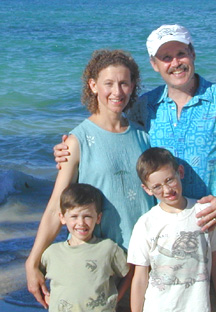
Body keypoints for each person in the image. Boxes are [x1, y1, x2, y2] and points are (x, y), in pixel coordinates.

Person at [53, 25, 216, 312]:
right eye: (165, 57)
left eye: (180, 53)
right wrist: (70, 147)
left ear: (192, 53)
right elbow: (111, 126)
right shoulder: (147, 107)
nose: (175, 63)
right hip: (164, 247)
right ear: (154, 64)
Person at [26, 49, 155, 310]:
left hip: (145, 260)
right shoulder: (77, 141)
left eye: (124, 83)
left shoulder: (143, 136)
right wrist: (32, 263)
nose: (117, 92)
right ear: (93, 86)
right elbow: (56, 208)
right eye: (108, 83)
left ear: (133, 87)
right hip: (100, 266)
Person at [127, 147, 216, 312]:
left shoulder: (203, 212)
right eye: (157, 186)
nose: (167, 190)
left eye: (169, 180)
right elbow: (140, 277)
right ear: (147, 189)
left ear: (180, 172)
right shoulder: (145, 223)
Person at [40, 183, 131, 311]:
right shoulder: (52, 253)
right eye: (74, 216)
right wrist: (47, 296)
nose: (81, 223)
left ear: (98, 218)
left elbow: (129, 272)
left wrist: (116, 298)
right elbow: (37, 276)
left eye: (87, 216)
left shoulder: (108, 248)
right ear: (62, 218)